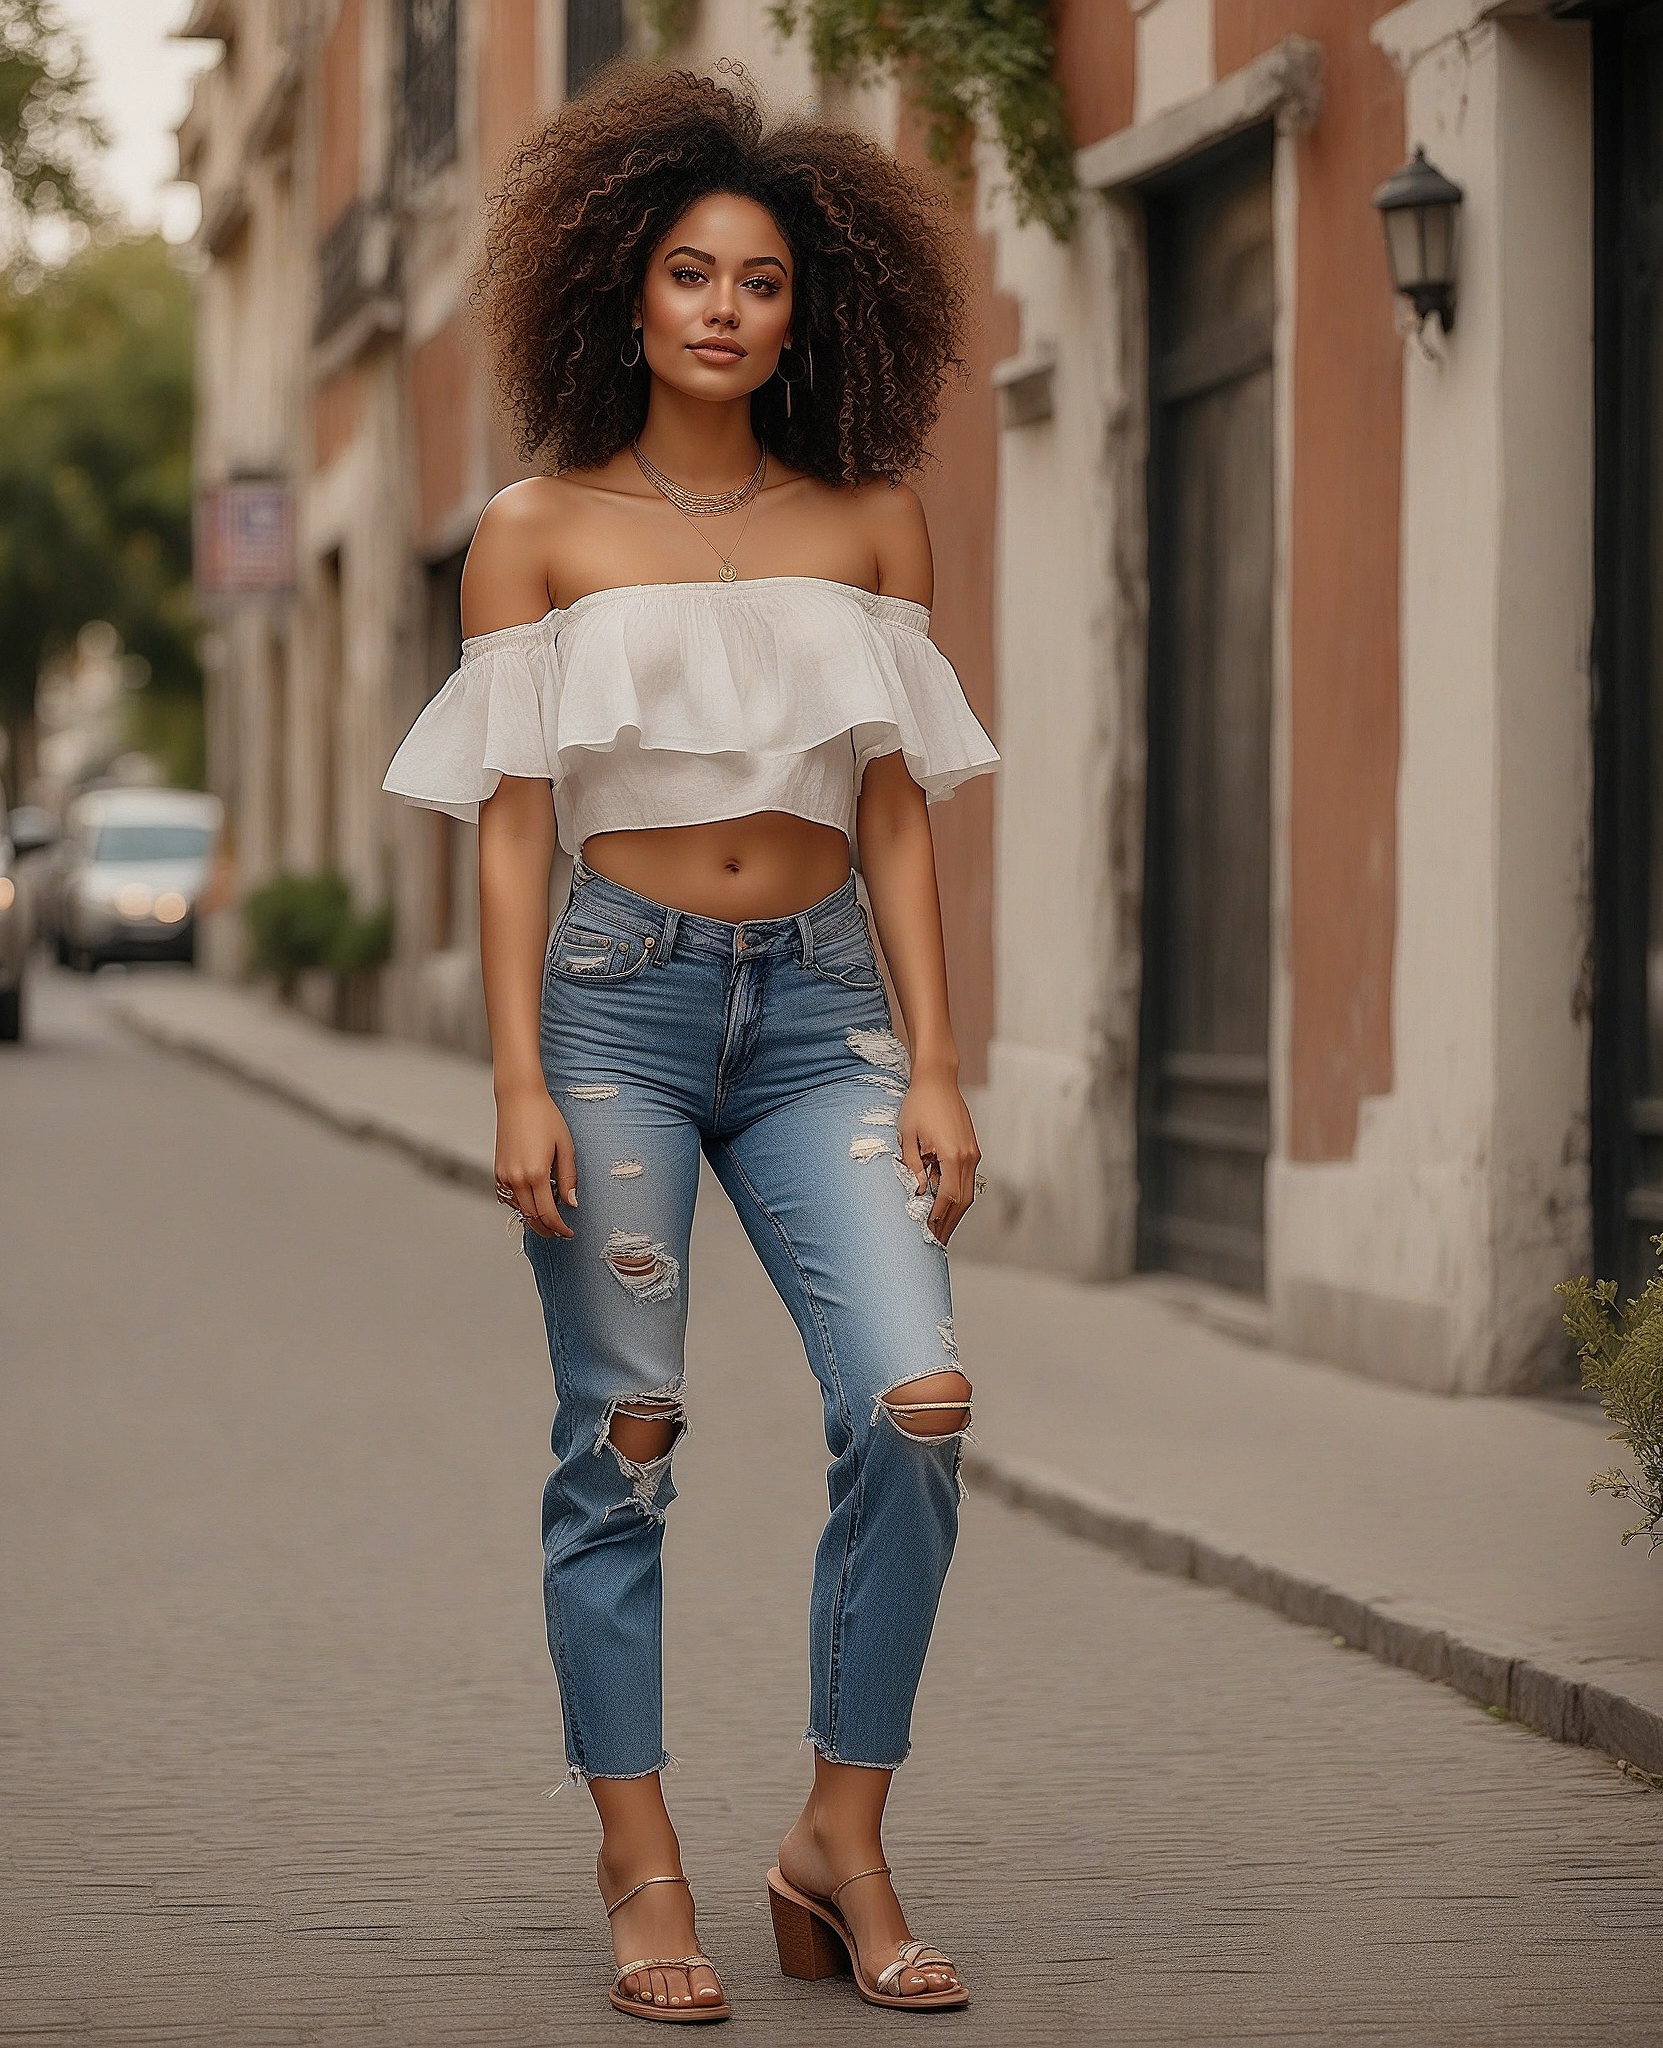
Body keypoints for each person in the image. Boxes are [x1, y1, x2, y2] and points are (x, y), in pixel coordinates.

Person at [383, 65, 998, 2023]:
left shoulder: (875, 517)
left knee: (914, 1401)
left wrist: (935, 1056)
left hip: (823, 1010)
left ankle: (837, 1831)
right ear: (621, 292)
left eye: (761, 280)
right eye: (687, 272)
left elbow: (894, 803)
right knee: (623, 1438)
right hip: (616, 1007)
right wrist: (513, 1075)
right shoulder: (535, 531)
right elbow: (504, 818)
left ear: (809, 310)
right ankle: (640, 1859)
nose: (724, 307)